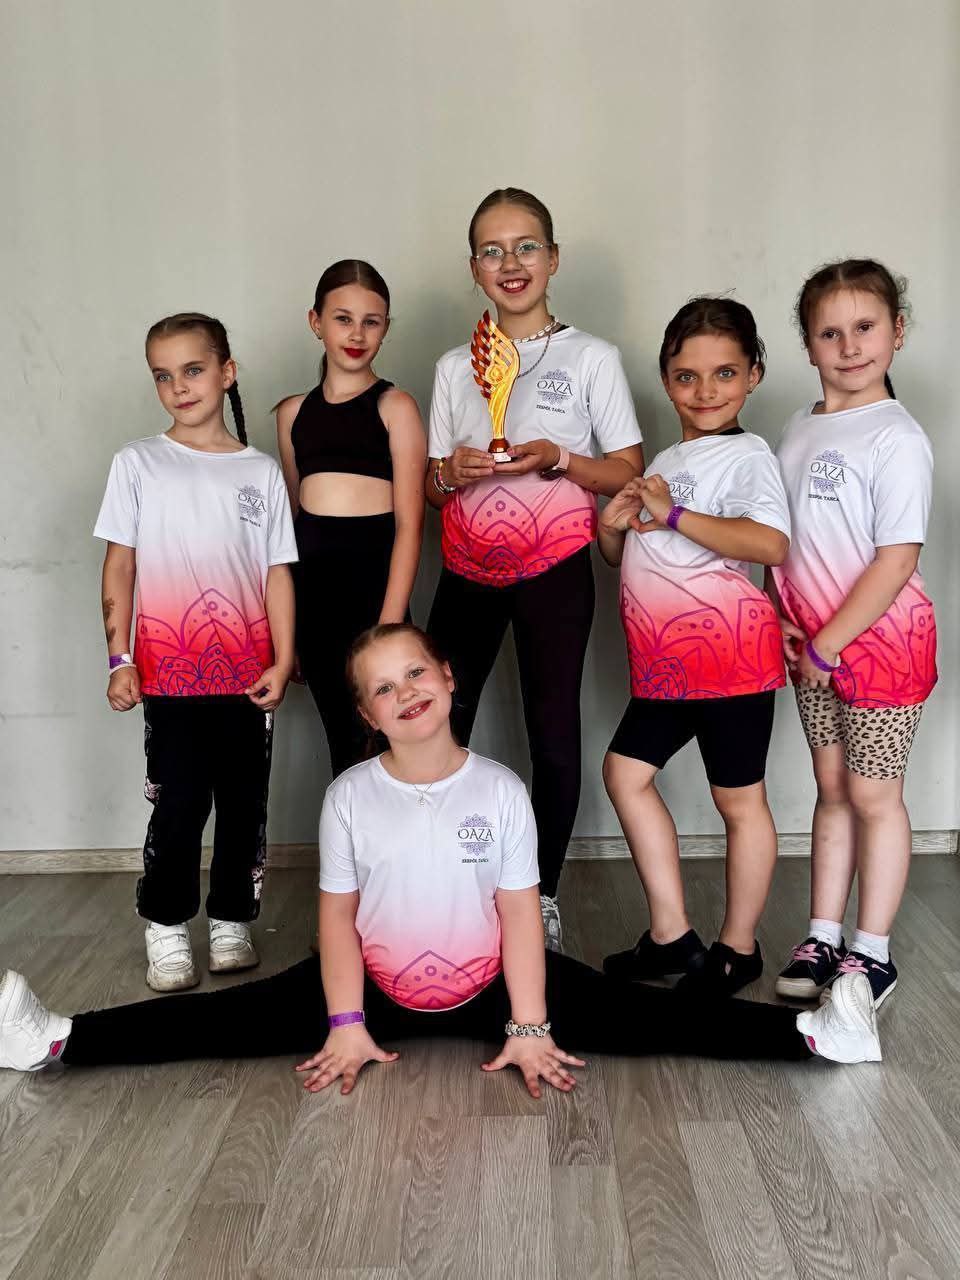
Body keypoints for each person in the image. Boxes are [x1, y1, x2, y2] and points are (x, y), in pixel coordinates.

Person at [2, 625, 883, 1087]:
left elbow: (518, 915)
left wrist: (530, 1025)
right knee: (222, 1023)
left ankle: (817, 1036)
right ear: (367, 715)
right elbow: (337, 921)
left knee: (648, 1018)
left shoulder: (498, 791)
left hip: (496, 981)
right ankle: (56, 1040)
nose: (406, 693)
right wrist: (345, 1021)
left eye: (417, 673)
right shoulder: (351, 796)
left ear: (449, 678)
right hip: (371, 985)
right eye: (384, 688)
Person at [425, 188, 645, 951]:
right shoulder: (454, 368)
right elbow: (430, 486)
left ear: (552, 260)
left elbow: (627, 472)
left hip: (555, 572)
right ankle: (443, 886)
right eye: (492, 250)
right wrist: (447, 473)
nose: (510, 262)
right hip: (466, 572)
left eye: (525, 247)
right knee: (438, 722)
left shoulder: (592, 358)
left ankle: (542, 892)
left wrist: (561, 459)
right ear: (474, 269)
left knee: (550, 733)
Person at [95, 313, 297, 992]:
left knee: (244, 804)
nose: (179, 386)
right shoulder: (138, 463)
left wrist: (283, 659)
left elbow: (276, 572)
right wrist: (120, 659)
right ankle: (166, 924)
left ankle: (233, 920)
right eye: (163, 375)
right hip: (168, 676)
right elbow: (120, 566)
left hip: (247, 678)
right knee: (179, 803)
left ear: (226, 373)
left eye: (193, 370)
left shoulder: (259, 471)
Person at [599, 299, 791, 997]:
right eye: (687, 376)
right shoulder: (667, 459)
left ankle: (738, 948)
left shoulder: (748, 456)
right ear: (666, 379)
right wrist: (613, 526)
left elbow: (769, 543)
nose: (705, 391)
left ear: (753, 376)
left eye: (724, 373)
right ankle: (671, 936)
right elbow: (630, 555)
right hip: (666, 668)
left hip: (730, 660)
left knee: (737, 801)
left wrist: (673, 511)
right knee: (625, 774)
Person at [768, 260, 937, 1008]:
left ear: (896, 331)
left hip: (882, 647)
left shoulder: (896, 436)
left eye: (865, 327)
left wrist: (828, 643)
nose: (849, 346)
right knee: (832, 790)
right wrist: (779, 614)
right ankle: (823, 936)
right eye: (829, 332)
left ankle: (873, 954)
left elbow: (896, 558)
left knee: (873, 795)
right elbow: (783, 536)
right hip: (812, 648)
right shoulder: (798, 426)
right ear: (807, 343)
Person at [275, 260, 426, 777]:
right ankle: (347, 834)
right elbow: (291, 528)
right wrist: (288, 630)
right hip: (315, 603)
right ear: (315, 322)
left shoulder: (395, 406)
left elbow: (410, 526)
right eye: (343, 319)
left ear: (385, 327)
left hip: (374, 598)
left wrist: (389, 625)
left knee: (385, 741)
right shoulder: (292, 414)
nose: (357, 334)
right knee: (342, 743)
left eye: (371, 322)